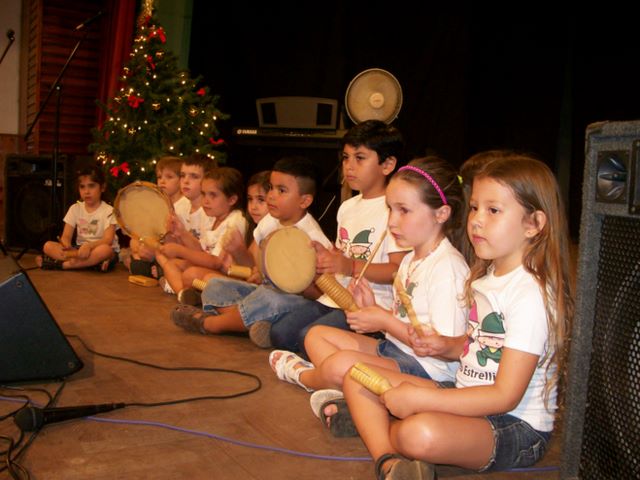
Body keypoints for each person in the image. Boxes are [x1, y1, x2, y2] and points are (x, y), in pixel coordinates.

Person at [338, 151, 574, 479]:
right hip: (465, 394)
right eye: (475, 207)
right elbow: (480, 343)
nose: (476, 220)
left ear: (533, 224)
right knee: (357, 376)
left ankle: (380, 429)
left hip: (514, 426)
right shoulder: (488, 276)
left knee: (418, 434)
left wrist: (423, 399)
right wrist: (446, 345)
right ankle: (389, 462)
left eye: (493, 210)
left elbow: (505, 396)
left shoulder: (529, 293)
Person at [269, 157, 469, 417]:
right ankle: (346, 390)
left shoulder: (448, 269)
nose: (392, 222)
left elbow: (443, 350)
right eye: (390, 209)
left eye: (403, 211)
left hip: (427, 372)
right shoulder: (411, 259)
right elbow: (405, 320)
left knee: (341, 364)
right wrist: (372, 309)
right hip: (397, 351)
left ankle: (304, 376)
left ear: (441, 214)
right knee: (316, 336)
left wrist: (384, 320)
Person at [252, 120, 408, 351]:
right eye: (346, 157)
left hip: (368, 306)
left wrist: (349, 266)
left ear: (387, 164)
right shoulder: (347, 207)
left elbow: (397, 271)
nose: (349, 166)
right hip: (334, 298)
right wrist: (326, 258)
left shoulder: (394, 210)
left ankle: (373, 345)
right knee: (280, 334)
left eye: (360, 158)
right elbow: (341, 256)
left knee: (306, 337)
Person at [170, 156, 332, 335]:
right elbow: (251, 267)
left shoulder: (313, 238)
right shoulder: (269, 221)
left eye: (281, 190)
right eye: (271, 187)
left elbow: (321, 295)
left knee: (271, 299)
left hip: (293, 302)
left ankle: (211, 324)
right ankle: (252, 323)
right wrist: (244, 258)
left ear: (304, 201)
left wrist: (292, 283)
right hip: (263, 293)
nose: (271, 195)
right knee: (215, 285)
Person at [158, 167, 247, 296]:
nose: (205, 200)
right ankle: (183, 294)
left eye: (213, 195)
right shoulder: (212, 217)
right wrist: (182, 233)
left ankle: (190, 292)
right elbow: (201, 250)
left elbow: (216, 263)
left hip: (227, 276)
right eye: (204, 194)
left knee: (191, 274)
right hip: (208, 270)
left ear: (231, 200)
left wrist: (180, 250)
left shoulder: (235, 221)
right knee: (171, 265)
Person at [36, 165, 119, 271]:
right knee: (47, 246)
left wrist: (89, 246)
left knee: (105, 250)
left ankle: (64, 265)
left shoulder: (109, 211)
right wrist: (66, 244)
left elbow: (108, 240)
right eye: (82, 187)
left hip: (98, 248)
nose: (86, 191)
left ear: (102, 187)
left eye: (91, 186)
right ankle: (90, 264)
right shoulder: (75, 208)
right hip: (79, 250)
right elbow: (66, 236)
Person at [127, 155, 184, 277]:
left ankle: (161, 270)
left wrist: (155, 249)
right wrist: (142, 244)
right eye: (159, 177)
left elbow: (178, 240)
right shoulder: (158, 203)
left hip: (172, 251)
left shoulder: (184, 205)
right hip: (156, 247)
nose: (162, 181)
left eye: (169, 177)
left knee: (141, 264)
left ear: (181, 180)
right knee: (134, 245)